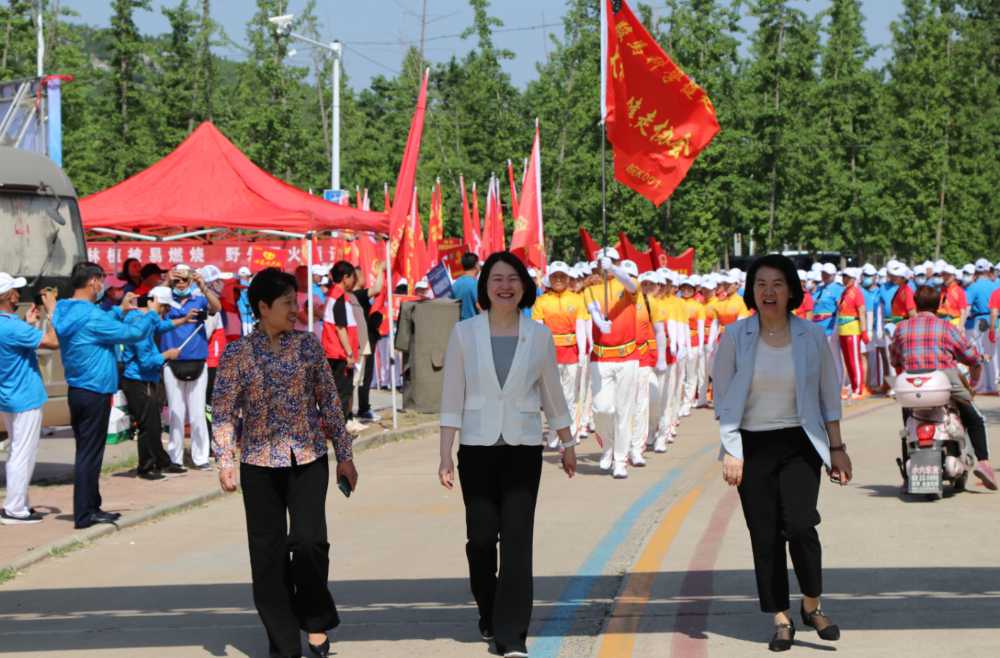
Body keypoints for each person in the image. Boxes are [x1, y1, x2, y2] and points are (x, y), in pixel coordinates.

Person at [212, 267, 357, 658]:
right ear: (263, 307)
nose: (296, 308)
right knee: (268, 556)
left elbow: (329, 402)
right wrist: (225, 459)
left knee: (309, 543)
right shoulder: (236, 353)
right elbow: (223, 412)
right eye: (288, 302)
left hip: (308, 457)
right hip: (258, 464)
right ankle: (282, 644)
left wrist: (345, 455)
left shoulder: (308, 346)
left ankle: (314, 619)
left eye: (297, 300)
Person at [438, 251, 576, 658]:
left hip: (522, 449)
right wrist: (445, 454)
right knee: (481, 540)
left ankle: (511, 634)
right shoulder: (464, 333)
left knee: (517, 540)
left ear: (524, 286)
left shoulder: (540, 335)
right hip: (477, 448)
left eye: (513, 278)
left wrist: (567, 444)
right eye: (497, 278)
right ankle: (489, 606)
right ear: (485, 286)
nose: (505, 285)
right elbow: (452, 397)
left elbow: (553, 394)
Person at [713, 254, 852, 652]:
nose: (768, 291)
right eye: (760, 284)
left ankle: (811, 605)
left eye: (777, 284)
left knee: (801, 526)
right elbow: (723, 400)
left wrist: (837, 449)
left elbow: (829, 395)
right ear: (750, 291)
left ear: (791, 291)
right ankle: (780, 617)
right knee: (765, 535)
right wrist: (731, 450)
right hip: (751, 446)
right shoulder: (735, 336)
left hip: (800, 444)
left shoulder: (811, 335)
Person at [52, 263, 161, 528]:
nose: (103, 285)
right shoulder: (92, 316)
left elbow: (99, 326)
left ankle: (90, 507)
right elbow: (133, 333)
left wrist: (119, 309)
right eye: (101, 280)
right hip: (95, 391)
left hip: (78, 390)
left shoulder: (64, 310)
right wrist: (152, 315)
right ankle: (85, 513)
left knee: (85, 452)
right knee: (90, 454)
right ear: (93, 282)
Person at [889, 285, 997, 491]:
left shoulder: (902, 328)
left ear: (916, 304)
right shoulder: (947, 327)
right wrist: (979, 357)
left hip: (913, 387)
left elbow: (894, 358)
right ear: (938, 305)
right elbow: (968, 356)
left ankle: (907, 478)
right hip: (943, 385)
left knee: (908, 424)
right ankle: (984, 464)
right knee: (976, 419)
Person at [120, 286, 196, 481]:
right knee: (147, 426)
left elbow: (160, 326)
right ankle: (146, 468)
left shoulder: (141, 318)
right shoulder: (140, 323)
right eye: (165, 308)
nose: (166, 312)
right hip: (140, 380)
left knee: (154, 425)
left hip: (143, 379)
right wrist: (166, 355)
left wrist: (183, 320)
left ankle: (162, 462)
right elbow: (146, 361)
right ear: (158, 305)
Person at [0, 275, 58, 525]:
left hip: (9, 396)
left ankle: (19, 503)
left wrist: (27, 323)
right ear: (7, 295)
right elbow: (53, 342)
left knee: (16, 451)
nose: (19, 294)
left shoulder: (11, 325)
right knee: (22, 454)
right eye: (16, 290)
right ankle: (14, 509)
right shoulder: (13, 327)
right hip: (26, 396)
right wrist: (53, 312)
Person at [582, 248, 640, 478]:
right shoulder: (591, 289)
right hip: (601, 356)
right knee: (602, 408)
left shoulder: (627, 283)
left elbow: (631, 284)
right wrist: (598, 321)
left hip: (627, 356)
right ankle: (608, 447)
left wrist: (615, 269)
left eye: (612, 261)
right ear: (596, 266)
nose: (605, 266)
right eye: (602, 263)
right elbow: (593, 309)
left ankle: (620, 460)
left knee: (625, 411)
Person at [161, 264, 221, 471]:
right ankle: (175, 458)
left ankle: (200, 457)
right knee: (176, 413)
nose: (180, 283)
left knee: (197, 413)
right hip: (172, 363)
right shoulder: (165, 300)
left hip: (197, 361)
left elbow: (217, 308)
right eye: (176, 279)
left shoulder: (200, 299)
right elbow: (146, 304)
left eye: (184, 279)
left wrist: (203, 287)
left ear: (191, 279)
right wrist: (166, 283)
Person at [531, 261, 589, 448]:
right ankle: (554, 430)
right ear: (549, 278)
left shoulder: (577, 299)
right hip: (550, 354)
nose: (558, 280)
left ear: (567, 278)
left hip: (571, 353)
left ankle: (570, 432)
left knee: (570, 394)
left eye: (562, 276)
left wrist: (581, 352)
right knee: (551, 395)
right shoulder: (542, 301)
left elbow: (580, 327)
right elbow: (538, 329)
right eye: (555, 276)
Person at [322, 261, 360, 425]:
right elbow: (341, 328)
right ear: (345, 278)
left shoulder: (332, 293)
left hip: (332, 350)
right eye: (353, 277)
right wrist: (349, 354)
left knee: (334, 394)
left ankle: (333, 429)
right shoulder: (339, 297)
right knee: (342, 394)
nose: (355, 281)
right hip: (339, 353)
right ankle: (339, 432)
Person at [350, 261, 387, 423]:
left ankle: (362, 409)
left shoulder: (357, 296)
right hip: (363, 341)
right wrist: (381, 270)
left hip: (367, 338)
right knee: (363, 377)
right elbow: (377, 289)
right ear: (357, 279)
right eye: (364, 276)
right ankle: (363, 409)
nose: (366, 279)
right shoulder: (357, 295)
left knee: (365, 376)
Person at [836, 268, 868, 400]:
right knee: (848, 361)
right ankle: (853, 387)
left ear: (854, 279)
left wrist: (864, 331)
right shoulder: (844, 292)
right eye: (844, 277)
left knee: (855, 360)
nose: (845, 279)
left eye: (848, 277)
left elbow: (862, 313)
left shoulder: (857, 293)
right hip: (842, 330)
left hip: (853, 330)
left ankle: (859, 390)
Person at [450, 252, 482, 320]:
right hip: (473, 324)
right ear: (476, 265)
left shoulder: (456, 283)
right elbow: (479, 306)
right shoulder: (475, 284)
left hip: (460, 323)